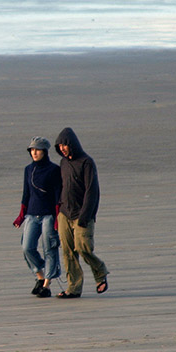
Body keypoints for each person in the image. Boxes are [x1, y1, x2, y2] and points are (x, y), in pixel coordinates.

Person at [55, 127, 110, 298]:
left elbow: (92, 191)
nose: (63, 148)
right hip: (65, 213)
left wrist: (85, 216)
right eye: (60, 146)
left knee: (83, 248)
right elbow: (61, 186)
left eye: (65, 145)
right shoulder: (63, 163)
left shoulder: (87, 162)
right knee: (68, 251)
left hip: (82, 214)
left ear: (73, 144)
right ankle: (74, 288)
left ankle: (100, 272)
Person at [13, 136, 62, 298]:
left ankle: (47, 285)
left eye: (37, 150)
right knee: (27, 247)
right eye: (32, 150)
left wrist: (57, 219)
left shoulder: (54, 170)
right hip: (32, 215)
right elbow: (26, 193)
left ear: (45, 151)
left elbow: (57, 195)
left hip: (49, 215)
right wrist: (21, 216)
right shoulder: (28, 169)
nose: (34, 153)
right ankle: (40, 276)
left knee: (50, 249)